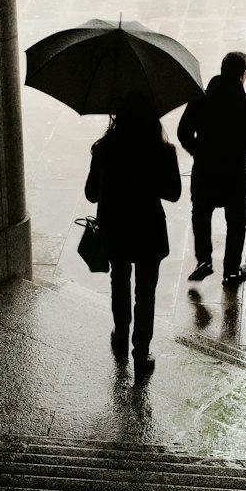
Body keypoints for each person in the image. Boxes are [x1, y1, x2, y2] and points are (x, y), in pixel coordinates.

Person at [84, 91, 182, 376]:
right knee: (146, 293)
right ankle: (141, 352)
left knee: (120, 280)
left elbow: (91, 194)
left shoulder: (104, 149)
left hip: (115, 228)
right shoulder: (163, 151)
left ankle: (120, 333)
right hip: (148, 230)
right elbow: (174, 193)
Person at [177, 50, 246, 286]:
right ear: (243, 75)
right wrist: (237, 150)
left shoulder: (200, 99)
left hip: (205, 171)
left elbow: (183, 132)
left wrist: (199, 151)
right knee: (236, 223)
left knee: (201, 214)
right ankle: (231, 271)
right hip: (235, 174)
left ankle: (204, 260)